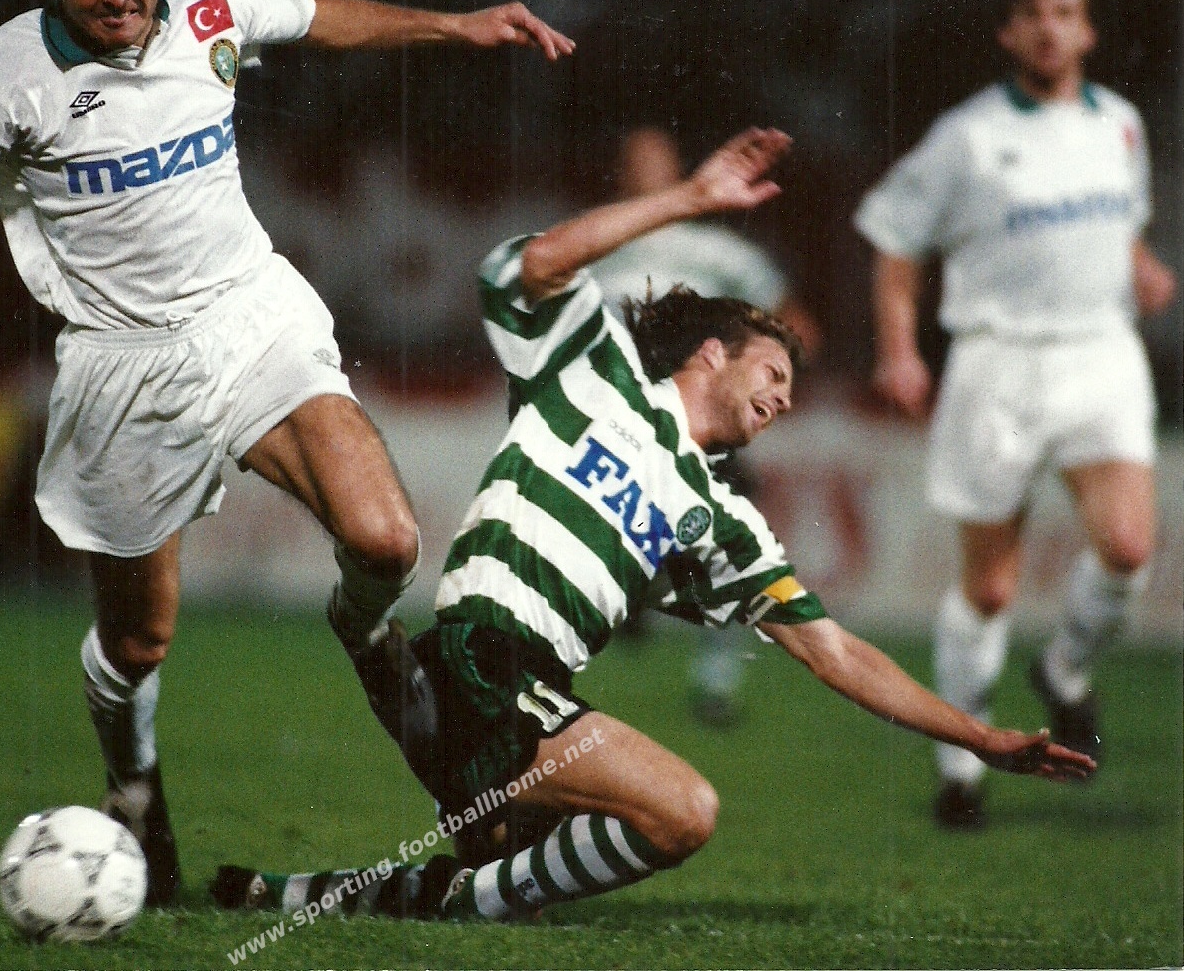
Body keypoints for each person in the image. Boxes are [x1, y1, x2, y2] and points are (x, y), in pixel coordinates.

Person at [0, 0, 575, 904]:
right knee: (139, 642)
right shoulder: (12, 70)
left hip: (250, 317)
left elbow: (319, 18)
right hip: (123, 365)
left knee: (386, 542)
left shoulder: (211, 4)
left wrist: (455, 24)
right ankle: (133, 781)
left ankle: (362, 632)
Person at [208, 128, 1093, 924]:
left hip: (523, 690)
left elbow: (835, 652)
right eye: (773, 372)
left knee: (516, 869)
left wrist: (979, 736)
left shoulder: (724, 518)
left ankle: (303, 889)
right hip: (486, 654)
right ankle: (450, 859)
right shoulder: (596, 370)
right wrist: (688, 198)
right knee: (682, 809)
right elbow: (528, 266)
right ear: (712, 352)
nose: (785, 397)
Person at [854, 0, 1176, 831]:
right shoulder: (967, 136)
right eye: (1032, 13)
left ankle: (1064, 669)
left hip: (1099, 352)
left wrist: (1141, 265)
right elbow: (895, 240)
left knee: (1128, 546)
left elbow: (1119, 221)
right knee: (990, 588)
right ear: (1007, 32)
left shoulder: (1120, 124)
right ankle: (960, 768)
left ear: (1088, 30)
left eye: (1064, 12)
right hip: (997, 363)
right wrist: (898, 350)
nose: (1048, 28)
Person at [593, 125, 822, 726]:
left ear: (677, 169)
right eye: (635, 161)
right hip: (617, 428)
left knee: (729, 552)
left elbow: (798, 327)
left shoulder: (718, 254)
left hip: (699, 432)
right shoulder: (599, 245)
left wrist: (763, 378)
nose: (646, 172)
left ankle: (715, 686)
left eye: (656, 161)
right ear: (620, 173)